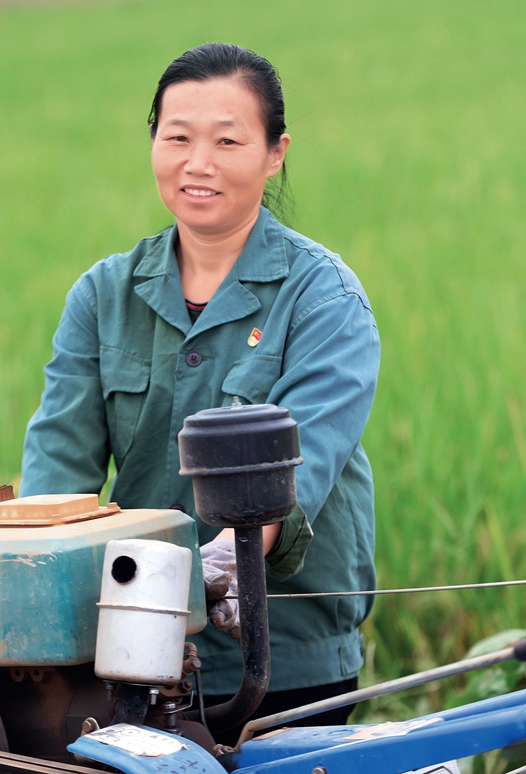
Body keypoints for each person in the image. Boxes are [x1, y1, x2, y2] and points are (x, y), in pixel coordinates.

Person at [20, 42, 380, 741]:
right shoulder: (103, 296)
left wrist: (230, 555)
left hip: (281, 661)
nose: (198, 163)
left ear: (275, 152)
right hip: (132, 656)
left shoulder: (324, 297)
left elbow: (302, 463)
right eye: (176, 137)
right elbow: (56, 476)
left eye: (227, 140)